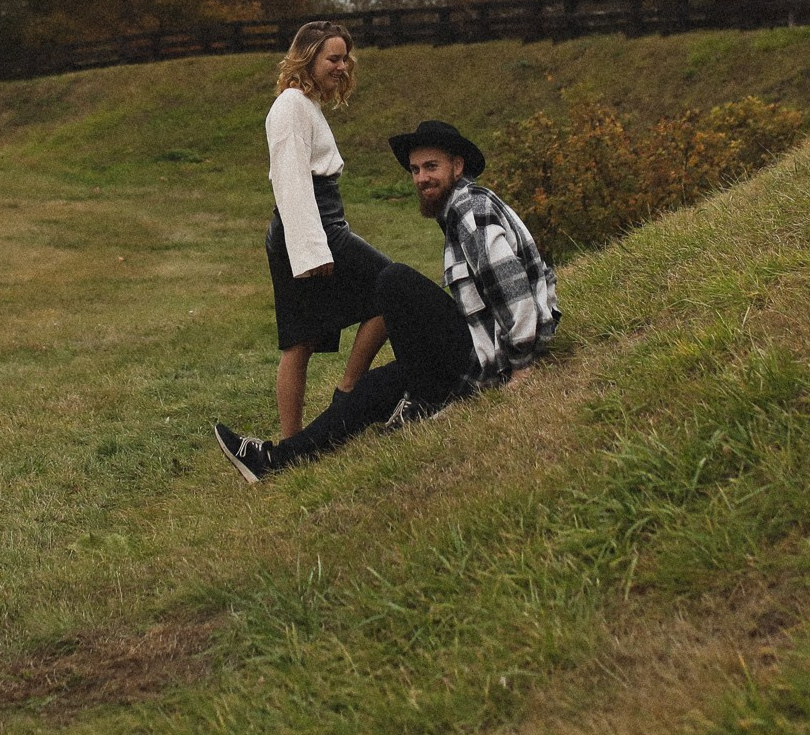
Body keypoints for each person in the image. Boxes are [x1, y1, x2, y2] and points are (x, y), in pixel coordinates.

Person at [214, 118, 557, 481]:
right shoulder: (460, 208)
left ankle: (425, 399)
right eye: (415, 169)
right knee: (374, 388)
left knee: (393, 280)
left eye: (431, 167)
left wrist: (522, 367)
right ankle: (273, 460)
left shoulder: (470, 209)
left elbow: (512, 286)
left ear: (457, 167)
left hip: (496, 361)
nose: (421, 178)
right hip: (480, 348)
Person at [261, 20, 395, 439]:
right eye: (333, 58)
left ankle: (343, 396)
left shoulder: (307, 104)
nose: (342, 67)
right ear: (308, 58)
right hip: (309, 228)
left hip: (322, 224)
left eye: (345, 59)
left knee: (385, 294)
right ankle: (298, 436)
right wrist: (311, 252)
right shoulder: (290, 106)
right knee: (389, 287)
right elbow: (290, 179)